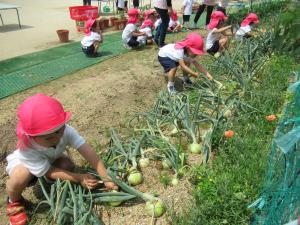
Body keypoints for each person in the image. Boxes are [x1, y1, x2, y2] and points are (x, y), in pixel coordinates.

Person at [5, 93, 118, 225]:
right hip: (25, 165)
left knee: (66, 164)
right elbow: (48, 170)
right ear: (31, 137)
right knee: (20, 177)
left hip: (49, 161)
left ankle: (47, 183)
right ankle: (14, 202)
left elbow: (87, 151)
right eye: (50, 138)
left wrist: (106, 178)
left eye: (61, 129)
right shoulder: (27, 148)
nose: (58, 137)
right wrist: (79, 178)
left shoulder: (63, 131)